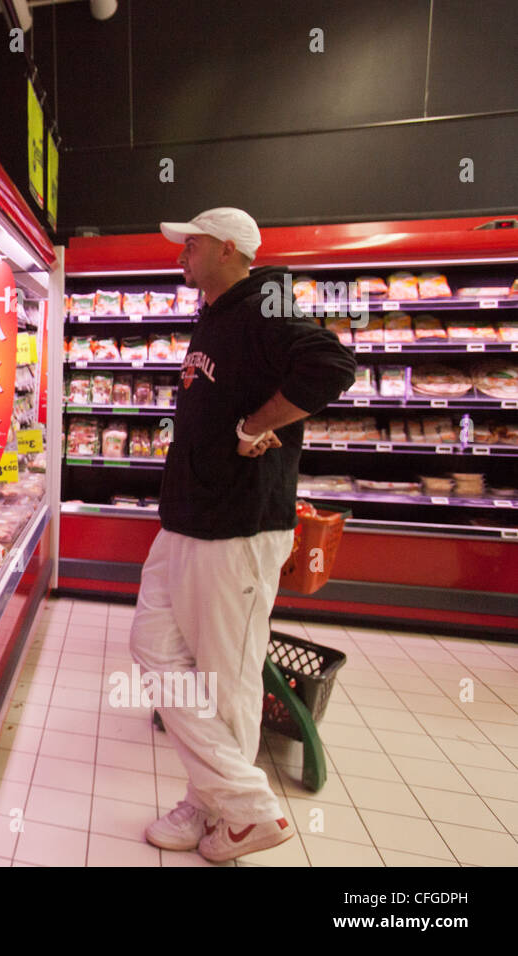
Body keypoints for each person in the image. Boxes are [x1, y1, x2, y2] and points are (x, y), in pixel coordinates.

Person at [131, 207, 356, 862]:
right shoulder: (220, 311)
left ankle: (232, 811)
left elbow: (332, 366)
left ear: (229, 248)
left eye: (191, 244)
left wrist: (259, 424)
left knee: (225, 678)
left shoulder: (268, 304)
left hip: (238, 525)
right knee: (151, 647)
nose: (181, 255)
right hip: (189, 520)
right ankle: (229, 797)